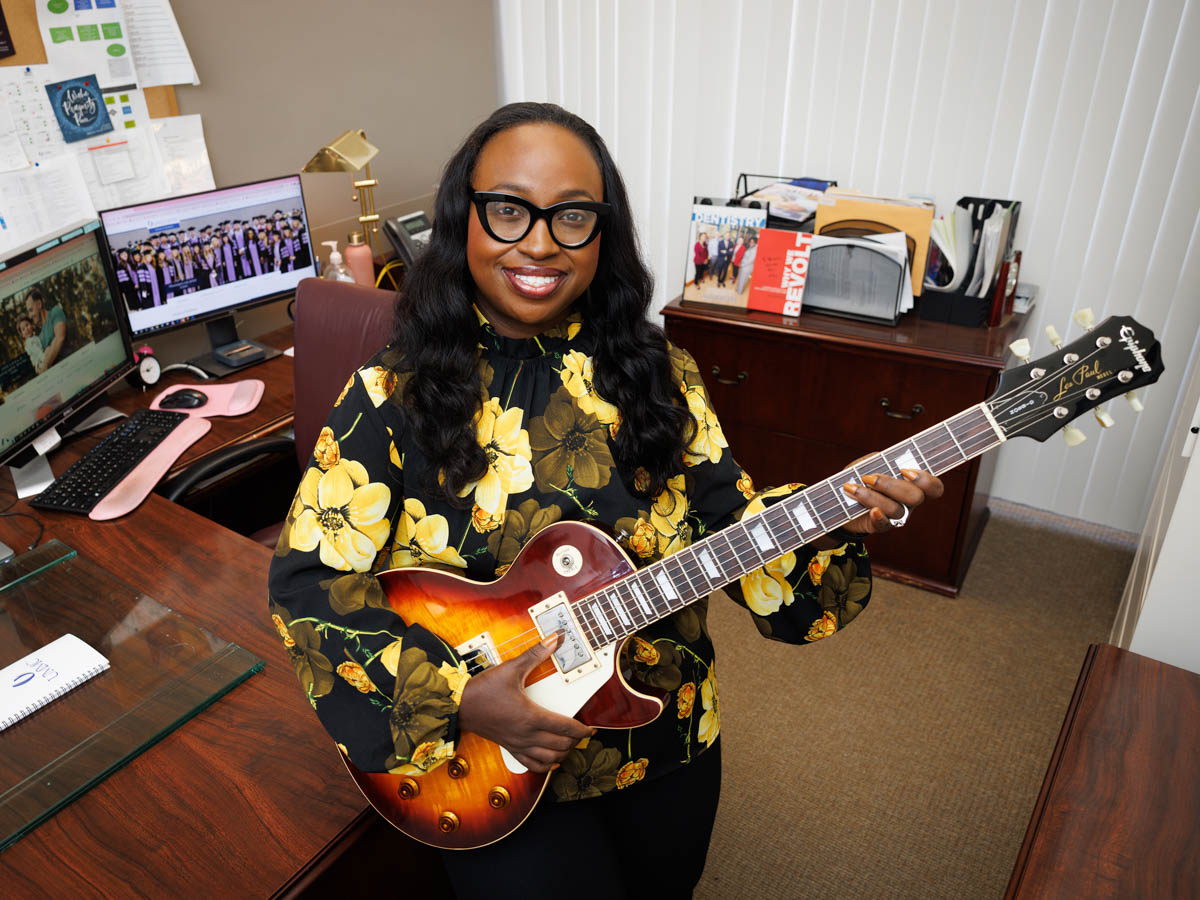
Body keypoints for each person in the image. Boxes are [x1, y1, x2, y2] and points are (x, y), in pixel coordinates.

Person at [266, 102, 942, 899]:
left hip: (663, 731)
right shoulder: (390, 395)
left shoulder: (660, 376)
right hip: (482, 760)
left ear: (603, 231)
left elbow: (746, 544)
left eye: (572, 216)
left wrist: (841, 514)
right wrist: (458, 698)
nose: (542, 242)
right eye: (510, 210)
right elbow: (308, 587)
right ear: (464, 220)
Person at [25, 290, 67, 373]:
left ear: (39, 304)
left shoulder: (55, 312)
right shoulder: (39, 338)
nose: (30, 316)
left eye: (31, 310)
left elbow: (60, 338)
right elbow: (39, 366)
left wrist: (46, 363)